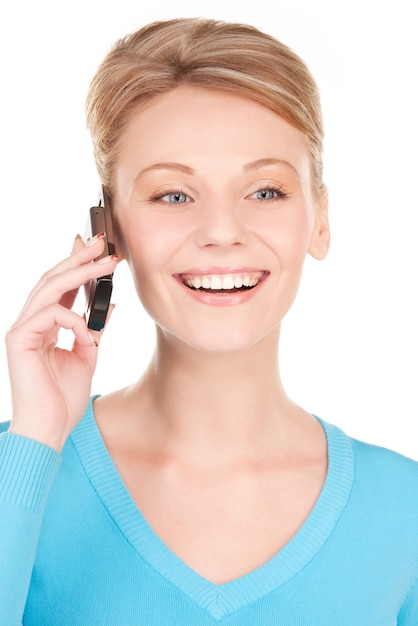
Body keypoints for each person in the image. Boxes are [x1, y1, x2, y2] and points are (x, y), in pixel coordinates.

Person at [0, 17, 417, 625]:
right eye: (174, 195)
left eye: (267, 191)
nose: (222, 231)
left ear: (320, 220)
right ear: (108, 230)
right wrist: (35, 442)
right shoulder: (19, 466)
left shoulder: (403, 511)